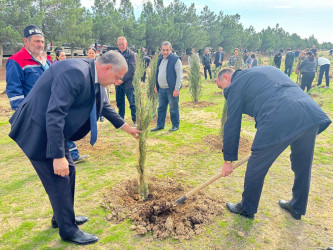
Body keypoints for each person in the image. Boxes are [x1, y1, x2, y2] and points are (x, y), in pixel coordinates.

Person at [8, 51, 141, 245]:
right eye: (118, 77)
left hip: (52, 130)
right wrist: (58, 155)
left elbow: (103, 106)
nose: (119, 82)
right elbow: (55, 113)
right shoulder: (75, 73)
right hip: (37, 129)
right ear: (107, 68)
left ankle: (61, 217)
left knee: (69, 171)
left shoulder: (93, 74)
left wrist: (126, 127)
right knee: (59, 178)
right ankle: (68, 229)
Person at [215, 66, 331, 220]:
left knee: (256, 166)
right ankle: (297, 207)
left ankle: (247, 208)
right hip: (308, 113)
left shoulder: (236, 84)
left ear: (227, 78)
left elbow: (232, 124)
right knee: (302, 165)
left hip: (278, 117)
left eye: (220, 87)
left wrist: (228, 160)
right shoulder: (264, 70)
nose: (223, 92)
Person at [6, 24, 52, 110]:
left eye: (42, 42)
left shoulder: (48, 59)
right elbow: (14, 91)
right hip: (32, 111)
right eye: (37, 41)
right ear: (26, 41)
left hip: (50, 108)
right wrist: (21, 113)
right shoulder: (16, 60)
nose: (40, 45)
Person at [151, 41, 182, 132]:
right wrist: (156, 85)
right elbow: (158, 73)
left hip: (171, 90)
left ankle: (175, 125)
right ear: (161, 49)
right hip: (161, 89)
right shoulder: (160, 59)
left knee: (173, 108)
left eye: (167, 50)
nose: (165, 52)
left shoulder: (176, 59)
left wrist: (176, 89)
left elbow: (179, 76)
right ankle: (160, 125)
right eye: (163, 50)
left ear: (171, 49)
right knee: (161, 108)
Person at [115, 36, 137, 125]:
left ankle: (135, 121)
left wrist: (122, 80)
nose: (121, 46)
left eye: (122, 44)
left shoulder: (131, 55)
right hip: (118, 84)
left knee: (132, 103)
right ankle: (121, 121)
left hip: (128, 84)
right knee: (120, 103)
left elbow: (132, 70)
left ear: (126, 44)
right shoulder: (116, 55)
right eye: (119, 44)